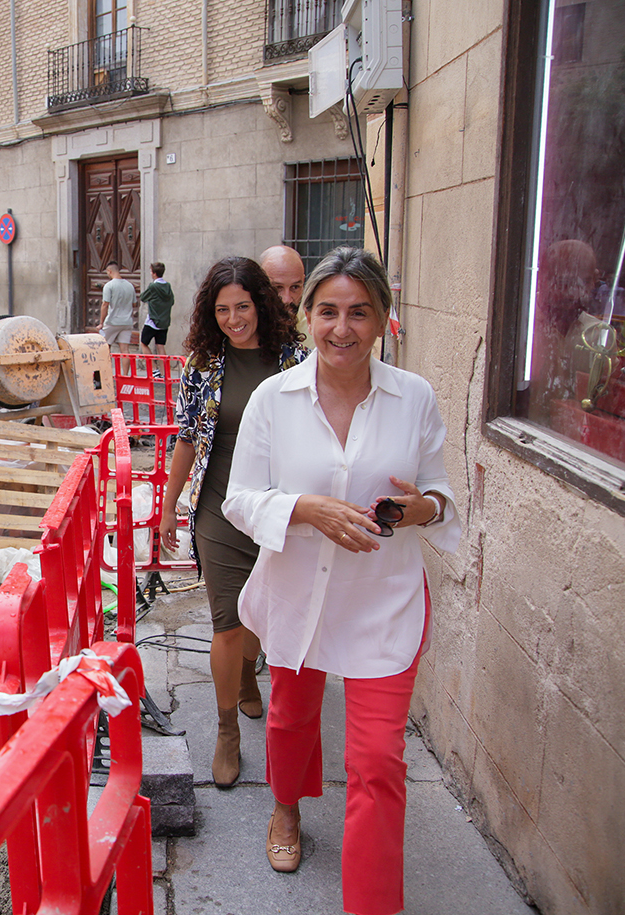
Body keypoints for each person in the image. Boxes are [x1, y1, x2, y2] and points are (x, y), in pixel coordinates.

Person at [222, 247, 460, 913]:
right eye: (326, 311)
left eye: (359, 311)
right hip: (297, 593)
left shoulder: (414, 399)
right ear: (305, 317)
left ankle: (372, 903)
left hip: (381, 600)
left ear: (383, 318)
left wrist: (425, 508)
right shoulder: (274, 399)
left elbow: (439, 493)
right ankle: (286, 809)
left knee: (378, 762)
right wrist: (304, 508)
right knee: (292, 720)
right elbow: (239, 499)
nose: (341, 328)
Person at [157, 257, 307, 790]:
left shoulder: (296, 360)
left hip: (278, 509)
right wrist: (169, 506)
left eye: (242, 306)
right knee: (226, 619)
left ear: (261, 304)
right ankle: (226, 732)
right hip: (220, 506)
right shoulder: (203, 363)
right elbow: (187, 437)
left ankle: (249, 674)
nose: (233, 319)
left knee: (259, 617)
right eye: (222, 310)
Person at [260, 244, 308, 338]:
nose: (287, 299)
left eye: (295, 287)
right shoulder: (245, 326)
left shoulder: (316, 330)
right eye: (278, 288)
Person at [98, 261, 138, 353]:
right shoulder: (130, 285)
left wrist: (101, 322)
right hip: (127, 322)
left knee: (105, 347)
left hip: (112, 321)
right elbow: (134, 303)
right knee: (125, 350)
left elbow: (105, 304)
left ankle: (105, 367)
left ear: (109, 271)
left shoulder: (109, 286)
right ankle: (126, 368)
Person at [139, 261, 174, 357]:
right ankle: (164, 371)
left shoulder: (153, 286)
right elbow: (172, 301)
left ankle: (154, 368)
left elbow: (143, 297)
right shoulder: (168, 286)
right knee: (160, 346)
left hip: (152, 321)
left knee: (143, 343)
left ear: (154, 273)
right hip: (164, 322)